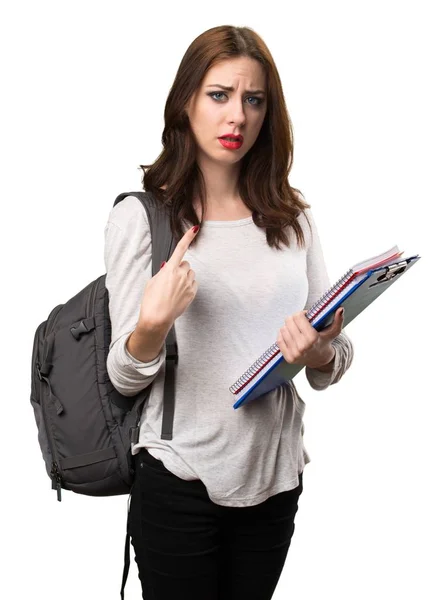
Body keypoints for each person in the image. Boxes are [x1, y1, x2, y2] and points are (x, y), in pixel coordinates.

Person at [104, 24, 354, 600]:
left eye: (253, 99)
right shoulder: (144, 220)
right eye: (219, 95)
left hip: (274, 479)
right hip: (178, 479)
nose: (236, 115)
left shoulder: (294, 220)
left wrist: (319, 353)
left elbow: (333, 359)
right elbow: (122, 375)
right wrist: (152, 323)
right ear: (186, 101)